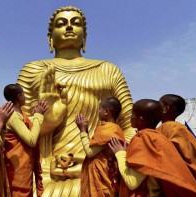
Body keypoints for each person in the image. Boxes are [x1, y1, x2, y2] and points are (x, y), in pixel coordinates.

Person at [16, 6, 135, 194]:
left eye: (76, 23)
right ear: (50, 38)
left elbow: (129, 126)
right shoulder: (33, 70)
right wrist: (47, 122)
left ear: (84, 37)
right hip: (47, 169)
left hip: (100, 165)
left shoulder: (108, 70)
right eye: (62, 24)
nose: (69, 27)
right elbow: (18, 128)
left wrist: (114, 155)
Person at [108, 99, 196, 197]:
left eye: (132, 114)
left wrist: (120, 153)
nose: (130, 118)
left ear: (140, 119)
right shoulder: (158, 137)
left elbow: (132, 182)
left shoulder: (144, 139)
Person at [157, 94, 196, 196]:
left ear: (166, 109)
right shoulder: (174, 128)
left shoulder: (170, 128)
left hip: (182, 183)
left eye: (158, 104)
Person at [3, 84, 48, 197]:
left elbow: (27, 125)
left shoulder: (21, 115)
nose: (25, 96)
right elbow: (31, 140)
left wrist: (37, 116)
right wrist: (38, 115)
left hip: (25, 164)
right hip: (17, 165)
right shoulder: (13, 117)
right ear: (19, 96)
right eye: (24, 94)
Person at [75, 97, 125, 197]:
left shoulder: (108, 129)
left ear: (106, 111)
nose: (98, 111)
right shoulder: (114, 128)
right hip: (104, 174)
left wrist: (82, 131)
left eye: (99, 109)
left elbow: (90, 153)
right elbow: (96, 148)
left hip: (102, 178)